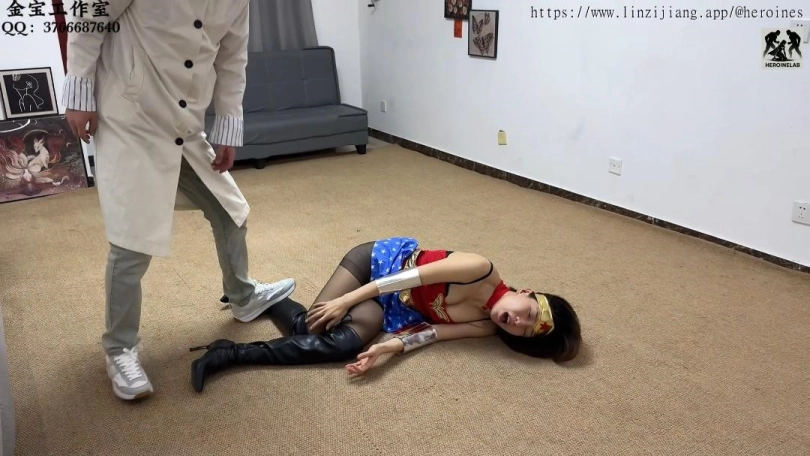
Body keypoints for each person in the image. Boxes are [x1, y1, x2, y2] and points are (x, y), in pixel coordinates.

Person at [60, 0, 295, 401]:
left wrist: (229, 127)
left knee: (230, 211)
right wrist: (79, 92)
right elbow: (89, 15)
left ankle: (243, 296)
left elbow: (232, 59)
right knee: (132, 240)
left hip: (184, 125)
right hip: (131, 120)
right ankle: (119, 348)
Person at [190, 237, 581, 392]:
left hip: (391, 308)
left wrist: (388, 349)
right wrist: (345, 301)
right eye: (529, 312)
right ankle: (266, 298)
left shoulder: (484, 326)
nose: (518, 322)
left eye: (525, 331)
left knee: (341, 345)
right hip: (378, 266)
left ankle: (229, 351)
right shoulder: (480, 268)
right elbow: (404, 278)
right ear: (526, 293)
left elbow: (430, 333)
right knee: (308, 325)